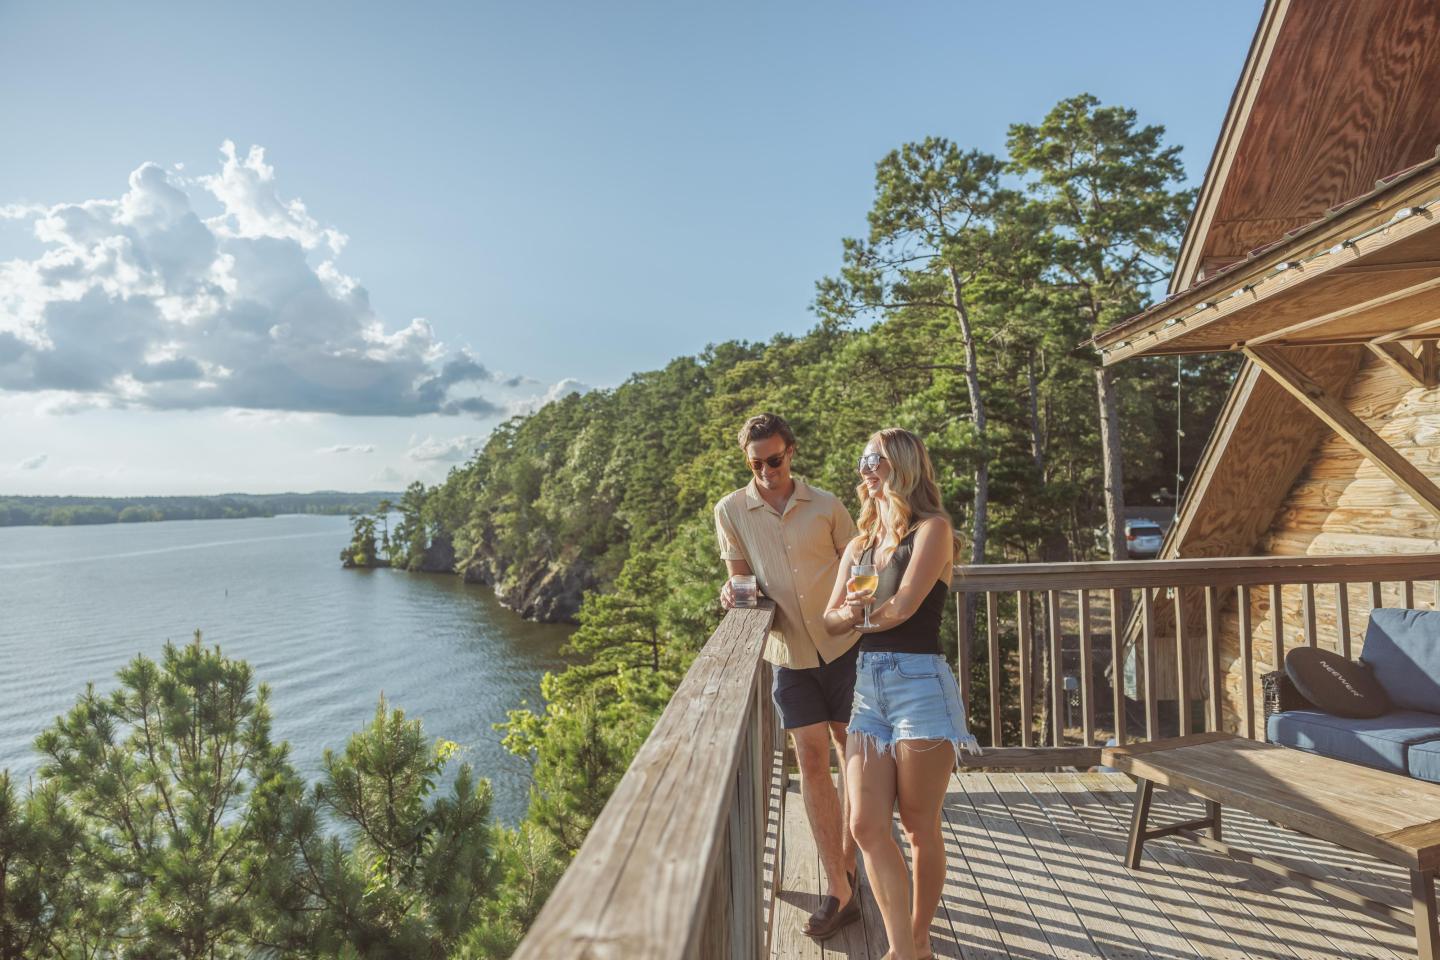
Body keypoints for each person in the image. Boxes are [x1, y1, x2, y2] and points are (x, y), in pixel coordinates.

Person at [822, 427, 979, 960]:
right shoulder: (860, 545)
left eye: (875, 460)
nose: (865, 469)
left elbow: (906, 606)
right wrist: (857, 616)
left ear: (903, 466)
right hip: (869, 688)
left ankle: (916, 939)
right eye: (863, 459)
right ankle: (905, 951)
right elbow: (829, 617)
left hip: (920, 685)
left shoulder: (932, 530)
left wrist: (858, 617)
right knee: (866, 824)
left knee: (917, 825)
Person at [714, 412, 863, 939]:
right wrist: (735, 592)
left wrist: (862, 601)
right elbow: (738, 577)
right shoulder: (731, 510)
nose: (766, 471)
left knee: (855, 758)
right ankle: (840, 888)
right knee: (812, 764)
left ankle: (851, 861)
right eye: (756, 463)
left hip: (844, 648)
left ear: (791, 452)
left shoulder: (827, 506)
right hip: (788, 656)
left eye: (774, 460)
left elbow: (858, 565)